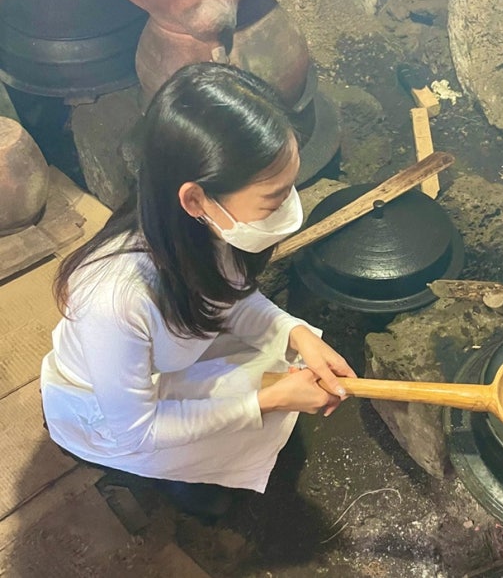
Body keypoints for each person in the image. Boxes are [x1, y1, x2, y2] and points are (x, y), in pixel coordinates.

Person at [40, 62, 355, 516]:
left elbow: (232, 300)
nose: (289, 206)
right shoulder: (113, 299)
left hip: (165, 364)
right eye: (274, 197)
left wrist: (294, 332)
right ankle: (167, 482)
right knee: (255, 417)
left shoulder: (198, 229)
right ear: (195, 198)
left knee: (283, 361)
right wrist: (268, 401)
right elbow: (137, 430)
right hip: (107, 412)